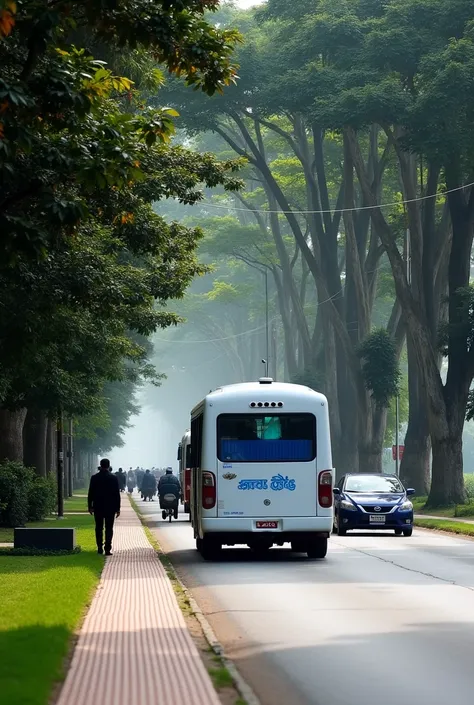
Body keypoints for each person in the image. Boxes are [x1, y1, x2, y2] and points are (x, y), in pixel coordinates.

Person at [88, 458, 121, 555]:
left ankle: (99, 547)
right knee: (109, 528)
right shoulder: (113, 478)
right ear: (108, 465)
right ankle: (107, 548)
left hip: (98, 506)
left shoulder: (94, 477)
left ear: (100, 465)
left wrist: (90, 506)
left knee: (98, 527)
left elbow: (91, 493)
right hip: (110, 507)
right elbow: (116, 494)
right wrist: (118, 508)